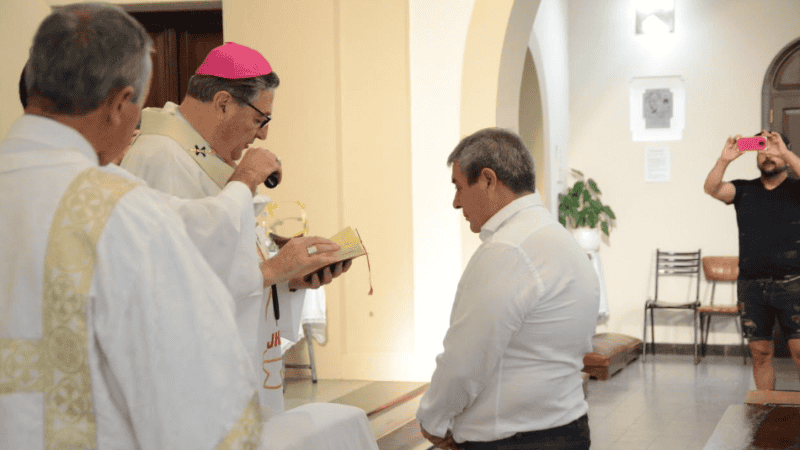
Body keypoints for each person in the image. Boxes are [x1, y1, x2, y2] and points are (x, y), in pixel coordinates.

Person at [1, 5, 377, 449]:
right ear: (121, 104)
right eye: (136, 109)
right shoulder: (121, 206)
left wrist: (285, 271)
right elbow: (181, 382)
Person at [120, 42, 351, 414]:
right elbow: (177, 286)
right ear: (224, 103)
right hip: (190, 388)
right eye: (261, 120)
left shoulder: (201, 158)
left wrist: (289, 280)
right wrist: (274, 268)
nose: (262, 136)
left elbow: (227, 263)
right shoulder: (162, 158)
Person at [416, 128, 600, 450]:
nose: (456, 202)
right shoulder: (561, 241)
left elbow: (464, 361)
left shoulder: (508, 250)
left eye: (459, 187)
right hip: (568, 428)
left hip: (513, 439)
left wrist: (433, 420)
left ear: (488, 179)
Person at [703, 130, 800, 390]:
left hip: (793, 284)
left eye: (773, 149)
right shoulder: (743, 189)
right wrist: (724, 160)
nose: (767, 154)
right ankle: (765, 411)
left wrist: (787, 154)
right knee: (760, 355)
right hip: (751, 286)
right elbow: (711, 188)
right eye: (761, 149)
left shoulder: (795, 187)